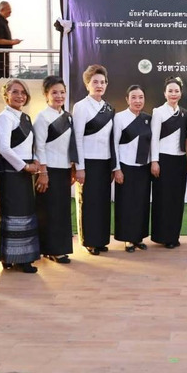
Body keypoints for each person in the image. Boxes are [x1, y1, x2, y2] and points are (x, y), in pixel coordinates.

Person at [0, 79, 41, 272]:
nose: (19, 96)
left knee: (25, 212)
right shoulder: (5, 117)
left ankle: (21, 257)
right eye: (15, 92)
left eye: (23, 92)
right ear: (6, 95)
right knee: (12, 213)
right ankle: (11, 257)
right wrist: (24, 166)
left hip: (25, 171)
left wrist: (35, 162)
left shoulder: (25, 117)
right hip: (11, 172)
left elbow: (31, 146)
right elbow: (4, 148)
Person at [33, 76, 76, 264]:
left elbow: (70, 145)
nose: (59, 96)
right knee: (49, 211)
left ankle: (58, 248)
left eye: (62, 92)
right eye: (54, 92)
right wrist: (43, 173)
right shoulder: (42, 117)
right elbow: (39, 147)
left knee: (62, 210)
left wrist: (72, 167)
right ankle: (51, 250)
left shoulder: (67, 116)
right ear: (46, 95)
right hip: (48, 170)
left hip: (64, 169)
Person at [73, 65, 114, 255]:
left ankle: (101, 240)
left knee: (103, 202)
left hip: (105, 163)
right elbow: (77, 138)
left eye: (102, 82)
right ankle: (89, 240)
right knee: (88, 202)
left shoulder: (108, 108)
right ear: (87, 84)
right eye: (95, 82)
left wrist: (112, 166)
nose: (99, 85)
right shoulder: (81, 107)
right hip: (88, 162)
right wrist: (79, 167)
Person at [150, 76, 187, 249]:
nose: (173, 94)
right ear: (164, 93)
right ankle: (162, 235)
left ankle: (173, 236)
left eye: (176, 91)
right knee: (163, 199)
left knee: (177, 199)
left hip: (180, 161)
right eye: (170, 91)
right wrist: (154, 161)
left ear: (181, 93)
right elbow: (154, 138)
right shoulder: (158, 112)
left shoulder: (186, 114)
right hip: (163, 160)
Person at [111, 85, 153, 252]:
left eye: (141, 97)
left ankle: (138, 237)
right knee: (126, 203)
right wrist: (117, 169)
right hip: (125, 167)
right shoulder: (119, 118)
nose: (137, 101)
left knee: (141, 203)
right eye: (134, 97)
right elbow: (114, 144)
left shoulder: (148, 118)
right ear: (127, 99)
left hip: (144, 167)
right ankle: (127, 238)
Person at [0, 1, 22, 78]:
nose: (10, 11)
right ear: (2, 10)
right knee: (2, 76)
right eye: (8, 9)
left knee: (5, 76)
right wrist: (12, 42)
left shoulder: (3, 21)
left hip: (3, 54)